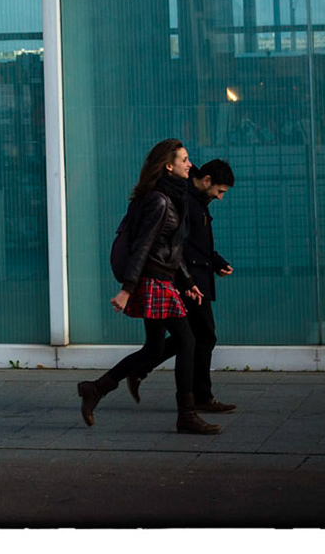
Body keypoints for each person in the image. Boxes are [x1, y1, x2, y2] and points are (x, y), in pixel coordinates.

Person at [76, 139, 222, 435]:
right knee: (187, 340)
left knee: (154, 347)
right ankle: (187, 415)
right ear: (168, 165)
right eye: (184, 159)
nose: (189, 164)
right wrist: (127, 289)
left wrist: (189, 282)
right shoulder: (159, 201)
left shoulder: (172, 198)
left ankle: (95, 388)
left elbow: (172, 246)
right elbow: (143, 246)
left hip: (163, 279)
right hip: (154, 281)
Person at [120, 158, 237, 414]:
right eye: (219, 191)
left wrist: (216, 262)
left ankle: (138, 372)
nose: (220, 198)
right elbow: (177, 246)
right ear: (206, 181)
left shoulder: (196, 201)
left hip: (192, 277)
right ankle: (198, 398)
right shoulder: (183, 201)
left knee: (189, 338)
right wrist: (188, 281)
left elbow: (197, 244)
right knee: (201, 336)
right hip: (185, 280)